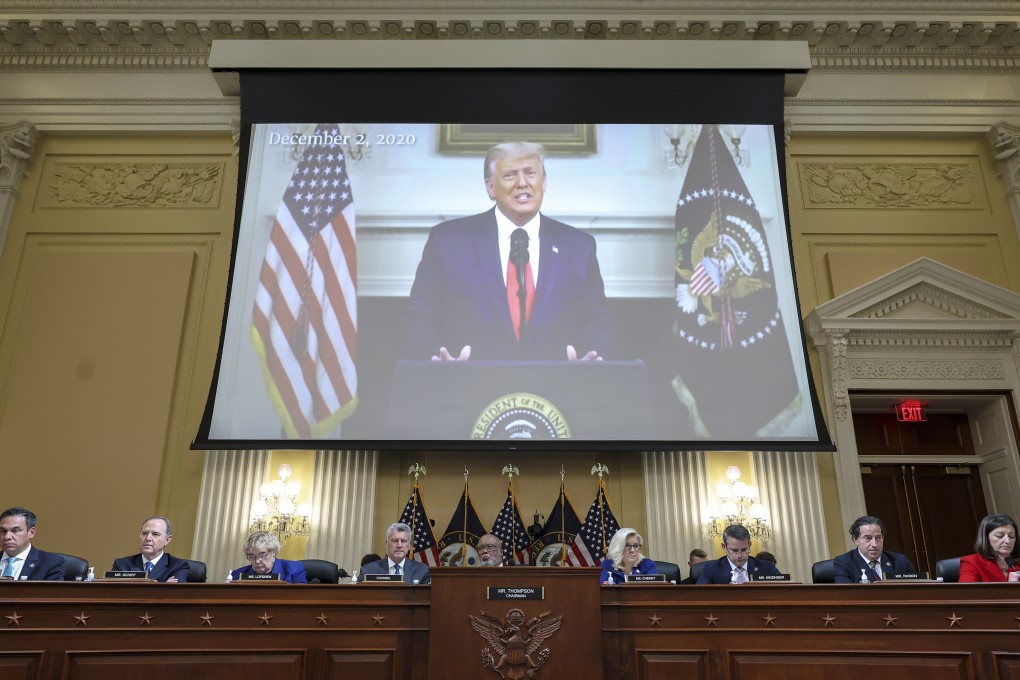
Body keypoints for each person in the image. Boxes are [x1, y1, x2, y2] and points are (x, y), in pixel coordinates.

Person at [407, 141, 612, 362]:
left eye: (530, 173)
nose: (522, 183)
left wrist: (592, 359)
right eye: (510, 175)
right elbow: (420, 317)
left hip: (555, 388)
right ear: (490, 187)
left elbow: (597, 320)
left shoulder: (579, 247)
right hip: (469, 387)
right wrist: (435, 360)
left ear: (544, 182)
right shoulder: (448, 242)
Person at [832, 515, 916, 583]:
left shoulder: (900, 562)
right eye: (867, 538)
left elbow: (916, 592)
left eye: (878, 537)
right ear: (855, 540)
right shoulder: (844, 563)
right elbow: (846, 595)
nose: (874, 544)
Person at [111, 515, 190, 583]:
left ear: (167, 540)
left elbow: (173, 596)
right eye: (144, 533)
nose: (148, 538)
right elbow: (114, 594)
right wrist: (161, 587)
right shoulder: (122, 565)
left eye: (155, 534)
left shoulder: (178, 566)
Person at [697, 524, 781, 584]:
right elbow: (700, 596)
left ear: (749, 545)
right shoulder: (712, 569)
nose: (740, 555)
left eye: (744, 550)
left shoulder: (767, 567)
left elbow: (785, 590)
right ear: (724, 547)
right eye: (734, 550)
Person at [0, 507, 64, 581]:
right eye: (3, 531)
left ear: (31, 533)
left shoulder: (51, 562)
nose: (7, 537)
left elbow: (53, 592)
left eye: (15, 530)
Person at [360, 522, 431, 584]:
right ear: (387, 544)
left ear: (409, 546)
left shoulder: (422, 571)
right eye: (395, 541)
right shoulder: (368, 570)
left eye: (403, 541)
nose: (399, 545)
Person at [959, 513, 1020, 582]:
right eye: (999, 536)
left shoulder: (1017, 563)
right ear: (986, 538)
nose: (1008, 541)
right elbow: (967, 592)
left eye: (1011, 536)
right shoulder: (972, 562)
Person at [230, 530, 307, 583]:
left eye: (262, 555)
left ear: (273, 552)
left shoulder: (294, 569)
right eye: (252, 556)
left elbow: (302, 598)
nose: (257, 561)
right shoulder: (237, 574)